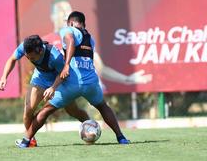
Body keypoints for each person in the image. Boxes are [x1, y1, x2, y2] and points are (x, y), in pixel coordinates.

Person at [16, 11, 131, 148]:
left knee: (46, 110)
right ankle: (121, 137)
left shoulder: (68, 29)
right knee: (103, 106)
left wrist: (66, 65)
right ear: (83, 24)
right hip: (91, 82)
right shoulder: (90, 38)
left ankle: (26, 141)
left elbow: (69, 40)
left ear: (70, 23)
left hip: (73, 82)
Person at [0, 35, 89, 147]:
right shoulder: (25, 47)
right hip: (40, 78)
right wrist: (3, 77)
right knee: (28, 111)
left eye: (33, 58)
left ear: (40, 51)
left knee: (73, 111)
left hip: (59, 80)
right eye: (28, 57)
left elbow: (63, 74)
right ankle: (31, 140)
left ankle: (90, 126)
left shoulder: (55, 57)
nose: (30, 60)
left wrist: (53, 87)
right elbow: (12, 59)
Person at [43, 0, 152, 86]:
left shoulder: (81, 38)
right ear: (52, 16)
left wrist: (127, 79)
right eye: (61, 11)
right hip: (61, 90)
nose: (65, 14)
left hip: (85, 91)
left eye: (68, 10)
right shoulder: (46, 41)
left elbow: (101, 69)